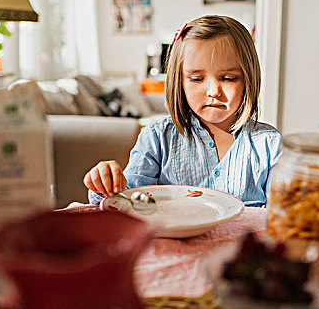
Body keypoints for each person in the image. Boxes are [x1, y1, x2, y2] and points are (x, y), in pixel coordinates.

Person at [84, 15, 281, 207]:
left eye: (228, 78)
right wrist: (106, 183)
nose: (214, 92)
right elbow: (126, 202)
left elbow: (284, 214)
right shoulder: (157, 138)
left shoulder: (270, 145)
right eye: (197, 79)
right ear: (180, 82)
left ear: (249, 79)